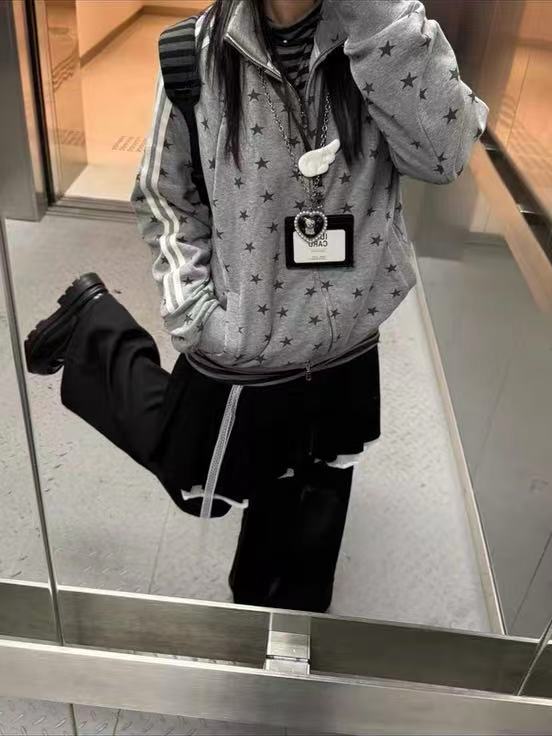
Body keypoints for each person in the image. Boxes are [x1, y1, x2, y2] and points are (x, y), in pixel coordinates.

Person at [25, 0, 489, 613]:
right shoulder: (195, 53)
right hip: (247, 338)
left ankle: (290, 605)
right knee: (199, 481)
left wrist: (374, 15)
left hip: (349, 338)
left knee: (323, 471)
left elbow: (445, 155)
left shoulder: (383, 35)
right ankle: (93, 328)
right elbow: (164, 196)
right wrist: (193, 311)